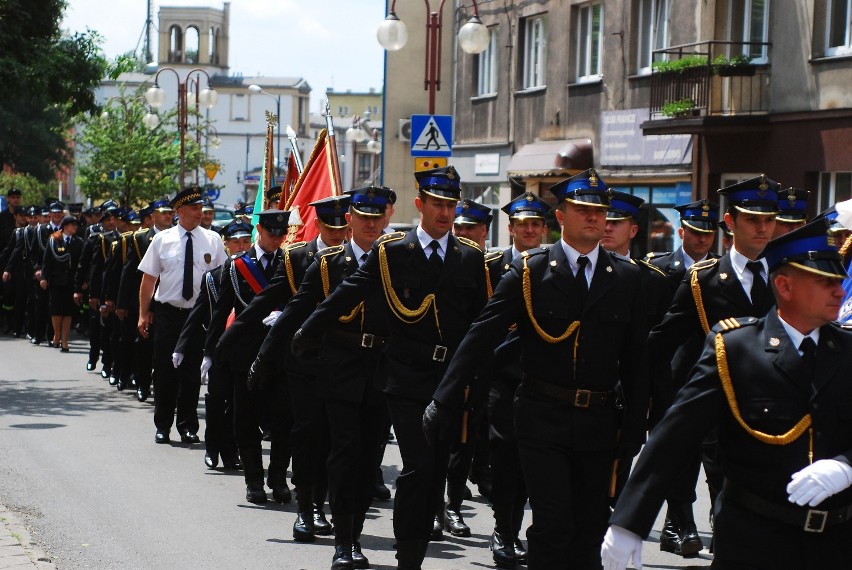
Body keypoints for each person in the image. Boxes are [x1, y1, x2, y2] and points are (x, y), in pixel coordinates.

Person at [423, 169, 650, 570]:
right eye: (583, 210)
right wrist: (444, 398)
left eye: (600, 211)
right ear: (561, 217)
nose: (594, 218)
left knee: (591, 527)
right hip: (542, 419)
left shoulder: (628, 278)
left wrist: (634, 429)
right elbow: (481, 335)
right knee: (553, 524)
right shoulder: (531, 272)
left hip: (599, 422)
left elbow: (635, 362)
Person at [602, 217, 852, 570]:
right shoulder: (735, 349)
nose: (839, 292)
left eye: (839, 282)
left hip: (836, 544)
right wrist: (629, 522)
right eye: (825, 282)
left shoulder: (847, 351)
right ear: (784, 285)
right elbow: (675, 436)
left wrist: (846, 466)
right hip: (754, 540)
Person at [292, 165, 488, 569]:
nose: (444, 213)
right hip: (400, 376)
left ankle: (403, 542)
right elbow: (349, 291)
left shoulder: (470, 259)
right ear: (420, 205)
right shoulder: (393, 252)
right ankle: (387, 549)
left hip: (447, 380)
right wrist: (307, 331)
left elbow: (481, 324)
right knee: (407, 461)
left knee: (430, 466)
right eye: (437, 204)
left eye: (451, 205)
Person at [251, 186, 395, 569]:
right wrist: (260, 355)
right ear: (351, 219)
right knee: (326, 444)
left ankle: (352, 530)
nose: (370, 224)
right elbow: (295, 309)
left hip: (380, 372)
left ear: (387, 218)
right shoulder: (326, 262)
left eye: (376, 218)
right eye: (362, 217)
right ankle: (338, 537)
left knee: (367, 460)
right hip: (328, 366)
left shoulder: (396, 260)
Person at [647, 175, 780, 557]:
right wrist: (633, 387)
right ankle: (692, 529)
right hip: (716, 403)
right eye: (752, 219)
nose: (762, 228)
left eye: (768, 220)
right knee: (723, 487)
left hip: (771, 408)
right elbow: (664, 339)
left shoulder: (786, 276)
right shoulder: (703, 279)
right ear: (730, 223)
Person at [216, 196, 349, 514]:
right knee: (246, 418)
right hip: (252, 352)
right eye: (271, 232)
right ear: (259, 229)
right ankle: (254, 480)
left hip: (291, 353)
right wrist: (218, 347)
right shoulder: (244, 265)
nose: (277, 238)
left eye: (281, 232)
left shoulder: (297, 258)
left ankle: (278, 477)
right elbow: (242, 308)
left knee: (287, 421)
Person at [137, 186, 228, 444]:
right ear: (179, 211)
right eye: (194, 208)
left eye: (201, 208)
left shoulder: (213, 240)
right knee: (165, 370)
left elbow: (222, 280)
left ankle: (188, 425)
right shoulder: (162, 240)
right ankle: (163, 424)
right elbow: (148, 279)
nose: (200, 213)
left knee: (191, 371)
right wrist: (143, 314)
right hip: (167, 313)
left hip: (199, 315)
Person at [175, 219, 254, 470]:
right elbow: (198, 313)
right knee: (216, 400)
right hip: (219, 349)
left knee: (238, 405)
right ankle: (212, 447)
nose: (241, 246)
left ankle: (231, 452)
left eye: (245, 241)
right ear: (226, 245)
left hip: (246, 348)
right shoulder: (213, 277)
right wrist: (182, 346)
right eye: (235, 242)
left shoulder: (258, 274)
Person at [115, 199, 173, 401]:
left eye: (170, 212)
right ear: (152, 216)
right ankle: (142, 382)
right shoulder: (140, 238)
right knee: (143, 344)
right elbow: (129, 273)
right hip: (144, 300)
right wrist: (122, 303)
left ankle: (163, 386)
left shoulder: (176, 237)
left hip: (167, 300)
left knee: (165, 348)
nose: (168, 216)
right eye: (164, 213)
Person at [645, 199, 720, 296]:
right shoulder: (656, 267)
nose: (702, 239)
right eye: (696, 232)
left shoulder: (722, 268)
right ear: (681, 233)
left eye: (708, 234)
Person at [39, 215, 83, 351]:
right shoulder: (54, 240)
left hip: (71, 282)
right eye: (72, 225)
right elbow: (47, 261)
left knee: (68, 312)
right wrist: (44, 277)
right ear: (65, 226)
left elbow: (81, 263)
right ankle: (56, 334)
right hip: (56, 281)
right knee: (57, 310)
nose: (75, 227)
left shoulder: (79, 242)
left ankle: (64, 340)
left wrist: (82, 280)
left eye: (76, 225)